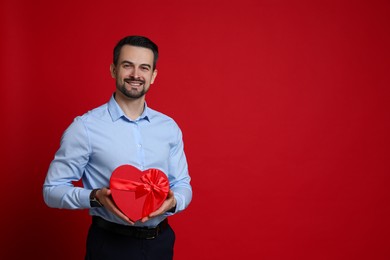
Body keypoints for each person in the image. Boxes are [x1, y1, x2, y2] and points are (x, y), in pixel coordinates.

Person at [43, 35, 192, 260]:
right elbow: (51, 190)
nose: (135, 74)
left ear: (153, 76)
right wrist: (95, 197)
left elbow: (182, 184)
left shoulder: (168, 127)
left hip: (161, 243)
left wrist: (174, 202)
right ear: (113, 70)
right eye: (127, 65)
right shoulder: (85, 127)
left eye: (144, 68)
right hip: (110, 245)